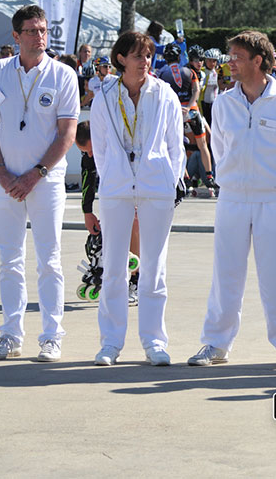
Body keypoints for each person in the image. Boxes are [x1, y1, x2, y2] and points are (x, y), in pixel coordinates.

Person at [188, 31, 276, 368]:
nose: (230, 63)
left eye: (237, 57)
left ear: (258, 60)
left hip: (271, 200)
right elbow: (220, 149)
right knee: (225, 273)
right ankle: (216, 343)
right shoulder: (225, 102)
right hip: (231, 199)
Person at [89, 31, 185, 366]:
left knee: (154, 267)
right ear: (121, 59)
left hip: (156, 189)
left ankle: (154, 341)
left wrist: (168, 181)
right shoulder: (105, 96)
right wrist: (115, 175)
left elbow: (176, 144)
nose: (144, 62)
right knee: (114, 266)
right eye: (137, 56)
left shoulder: (164, 94)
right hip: (116, 189)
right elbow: (99, 149)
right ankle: (110, 343)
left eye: (148, 56)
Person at [0, 5, 79, 362]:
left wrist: (35, 174)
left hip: (45, 181)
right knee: (9, 260)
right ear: (16, 37)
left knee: (49, 259)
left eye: (43, 30)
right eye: (32, 31)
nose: (40, 37)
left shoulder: (63, 75)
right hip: (4, 181)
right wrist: (3, 173)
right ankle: (11, 335)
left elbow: (67, 135)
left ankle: (51, 336)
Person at [75, 121, 140, 305]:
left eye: (91, 150)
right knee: (103, 235)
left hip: (138, 187)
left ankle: (137, 282)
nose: (89, 155)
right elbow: (88, 180)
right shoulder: (90, 153)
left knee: (135, 224)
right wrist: (87, 212)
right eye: (84, 151)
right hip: (113, 193)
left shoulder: (120, 144)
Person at [158, 42, 216, 192]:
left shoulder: (162, 73)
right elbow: (196, 90)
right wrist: (190, 106)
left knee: (177, 145)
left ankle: (184, 176)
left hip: (174, 112)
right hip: (192, 110)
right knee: (203, 144)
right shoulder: (190, 72)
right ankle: (208, 176)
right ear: (180, 57)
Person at [200, 48, 222, 126]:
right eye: (209, 60)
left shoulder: (218, 72)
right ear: (205, 61)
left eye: (214, 61)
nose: (212, 63)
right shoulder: (202, 72)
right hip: (203, 103)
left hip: (215, 103)